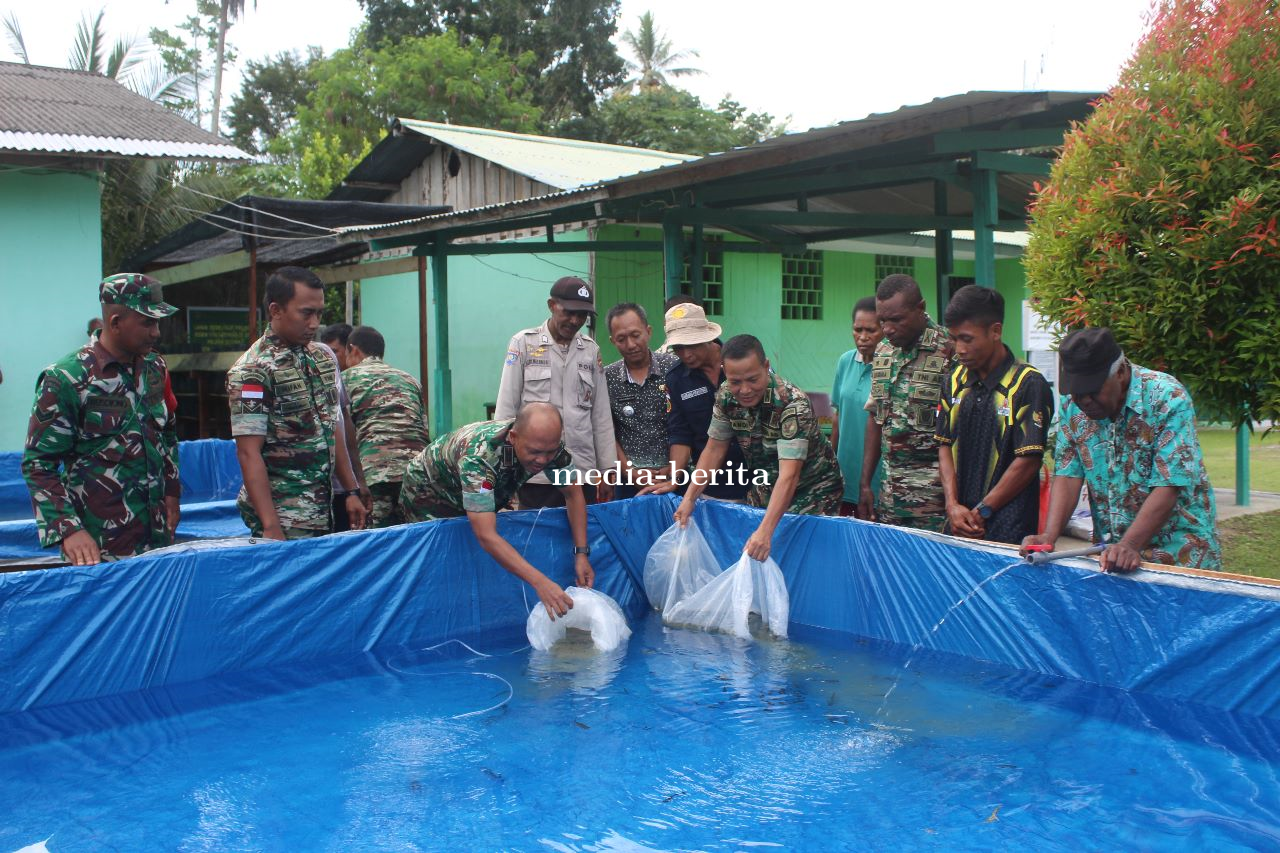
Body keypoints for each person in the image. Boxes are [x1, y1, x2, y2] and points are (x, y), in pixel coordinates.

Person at [1021, 328, 1221, 571]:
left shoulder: (1167, 398)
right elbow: (1067, 473)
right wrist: (1048, 536)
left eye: (1092, 392)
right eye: (1076, 393)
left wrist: (1130, 544)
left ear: (1121, 372)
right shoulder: (1073, 407)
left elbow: (1169, 484)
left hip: (1177, 556)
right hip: (1113, 556)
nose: (1084, 401)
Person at [23, 274, 181, 564]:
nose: (156, 332)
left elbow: (167, 434)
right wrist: (69, 530)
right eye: (147, 322)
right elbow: (38, 465)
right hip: (98, 549)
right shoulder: (66, 378)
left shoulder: (154, 368)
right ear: (115, 322)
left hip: (158, 541)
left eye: (158, 322)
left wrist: (172, 493)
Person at [400, 402, 595, 618]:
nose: (542, 460)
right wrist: (541, 583)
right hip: (430, 490)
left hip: (483, 484)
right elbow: (486, 535)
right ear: (513, 437)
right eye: (535, 452)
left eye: (549, 453)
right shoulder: (480, 458)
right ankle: (433, 616)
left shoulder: (550, 448)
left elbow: (573, 495)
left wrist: (581, 554)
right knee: (439, 561)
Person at [226, 266, 367, 539]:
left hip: (324, 508)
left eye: (319, 313)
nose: (314, 324)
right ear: (276, 310)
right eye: (306, 313)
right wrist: (270, 526)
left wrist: (351, 490)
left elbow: (331, 426)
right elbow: (248, 452)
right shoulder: (253, 371)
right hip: (285, 515)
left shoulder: (322, 360)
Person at [675, 334, 843, 561]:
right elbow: (714, 449)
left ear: (766, 366)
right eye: (736, 381)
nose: (744, 390)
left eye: (753, 380)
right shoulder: (726, 396)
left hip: (812, 487)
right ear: (725, 371)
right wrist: (689, 499)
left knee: (795, 551)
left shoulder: (792, 404)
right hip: (766, 483)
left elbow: (789, 475)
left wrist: (766, 532)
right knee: (751, 546)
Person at [935, 286, 1053, 544]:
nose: (959, 349)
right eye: (954, 339)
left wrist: (982, 511)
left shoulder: (1028, 384)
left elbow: (1029, 460)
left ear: (995, 331)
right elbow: (944, 445)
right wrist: (952, 506)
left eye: (967, 339)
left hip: (1007, 531)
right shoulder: (953, 381)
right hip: (957, 526)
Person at [495, 276, 616, 507]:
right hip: (535, 475)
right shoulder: (524, 344)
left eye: (582, 315)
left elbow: (600, 416)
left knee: (580, 534)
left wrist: (607, 470)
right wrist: (505, 470)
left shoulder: (591, 351)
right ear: (552, 305)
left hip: (581, 472)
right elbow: (506, 411)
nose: (575, 320)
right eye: (568, 312)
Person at [859, 274, 952, 531]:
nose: (887, 329)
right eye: (883, 320)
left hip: (935, 505)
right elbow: (876, 417)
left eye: (896, 320)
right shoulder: (883, 351)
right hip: (889, 499)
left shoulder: (949, 349)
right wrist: (866, 483)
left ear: (920, 308)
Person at [642, 302, 749, 500]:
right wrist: (674, 478)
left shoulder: (742, 361)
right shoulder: (676, 379)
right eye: (679, 348)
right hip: (713, 485)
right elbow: (680, 433)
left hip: (758, 479)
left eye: (692, 345)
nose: (686, 355)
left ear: (708, 337)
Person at [342, 325, 429, 526]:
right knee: (413, 539)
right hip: (417, 472)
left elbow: (342, 434)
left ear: (353, 350)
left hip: (374, 473)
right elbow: (423, 428)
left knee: (376, 540)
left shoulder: (347, 378)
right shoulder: (410, 380)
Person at [603, 303, 680, 499]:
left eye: (635, 335)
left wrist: (674, 469)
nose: (630, 344)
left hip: (674, 477)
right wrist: (630, 472)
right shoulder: (606, 378)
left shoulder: (673, 368)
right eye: (621, 339)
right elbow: (607, 433)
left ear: (648, 331)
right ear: (612, 341)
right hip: (629, 481)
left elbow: (684, 426)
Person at [831, 296, 883, 516]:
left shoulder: (891, 368)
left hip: (878, 479)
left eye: (871, 330)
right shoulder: (845, 361)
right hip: (845, 474)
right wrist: (830, 463)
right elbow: (838, 415)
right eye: (857, 329)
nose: (863, 337)